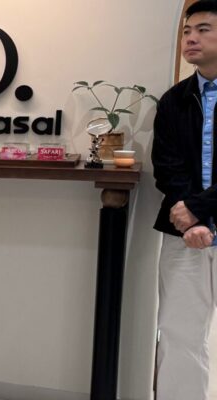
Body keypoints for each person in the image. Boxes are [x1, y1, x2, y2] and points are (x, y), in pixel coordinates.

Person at [152, 1, 217, 397]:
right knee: (179, 335)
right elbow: (166, 165)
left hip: (194, 217)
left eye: (203, 29)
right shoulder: (174, 99)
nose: (191, 38)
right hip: (184, 233)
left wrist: (199, 209)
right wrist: (189, 216)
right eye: (186, 31)